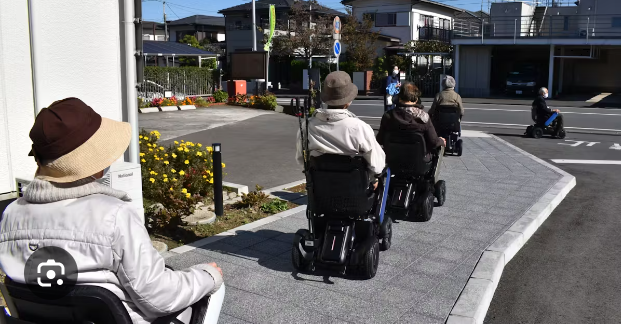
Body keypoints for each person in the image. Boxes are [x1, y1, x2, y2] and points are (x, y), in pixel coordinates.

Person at [0, 98, 224, 323]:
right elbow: (159, 298)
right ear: (92, 162)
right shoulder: (113, 215)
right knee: (212, 290)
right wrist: (207, 275)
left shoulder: (10, 215)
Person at [296, 71, 386, 189]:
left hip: (320, 191)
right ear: (348, 102)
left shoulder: (307, 126)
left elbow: (301, 158)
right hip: (355, 194)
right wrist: (373, 177)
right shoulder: (359, 127)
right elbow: (377, 164)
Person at [377, 82, 446, 181]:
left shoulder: (388, 116)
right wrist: (441, 141)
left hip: (393, 159)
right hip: (419, 162)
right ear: (416, 99)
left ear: (398, 98)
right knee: (438, 149)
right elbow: (433, 142)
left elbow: (379, 139)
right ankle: (431, 182)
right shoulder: (423, 118)